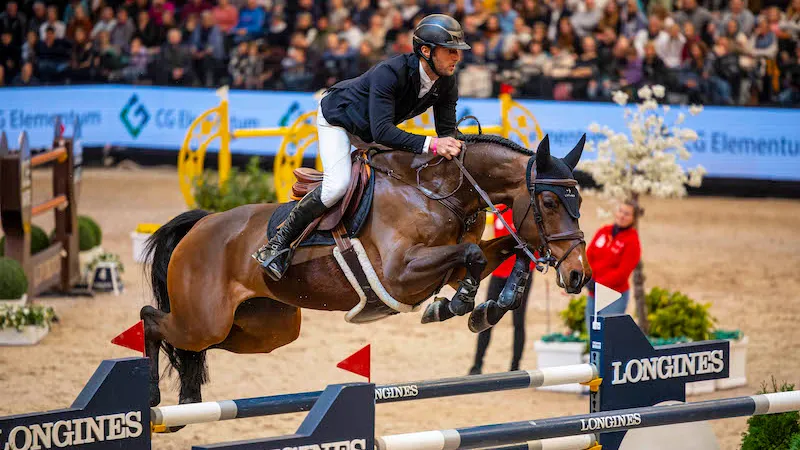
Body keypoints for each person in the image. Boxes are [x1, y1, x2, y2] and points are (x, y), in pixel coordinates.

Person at [253, 14, 472, 281]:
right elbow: (384, 132)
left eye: (457, 52)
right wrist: (433, 145)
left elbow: (447, 132)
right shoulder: (390, 73)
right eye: (450, 51)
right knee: (338, 185)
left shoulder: (446, 82)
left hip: (372, 132)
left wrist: (467, 148)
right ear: (426, 51)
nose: (456, 58)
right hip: (340, 121)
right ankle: (277, 244)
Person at [468, 207, 534, 375]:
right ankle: (477, 365)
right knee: (486, 317)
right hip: (498, 272)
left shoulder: (526, 212)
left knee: (518, 321)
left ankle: (515, 367)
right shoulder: (499, 211)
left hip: (520, 274)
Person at [584, 199, 642, 330]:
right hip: (593, 292)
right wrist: (588, 277)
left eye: (627, 214)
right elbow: (589, 255)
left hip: (613, 295)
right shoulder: (604, 231)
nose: (622, 216)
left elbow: (622, 273)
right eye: (621, 211)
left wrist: (597, 283)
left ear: (633, 219)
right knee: (592, 335)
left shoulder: (632, 241)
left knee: (608, 336)